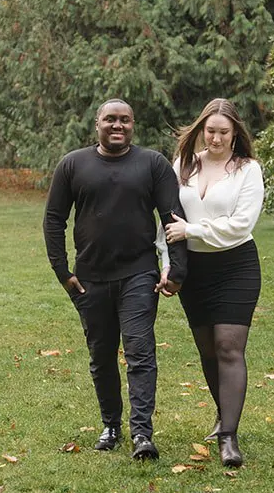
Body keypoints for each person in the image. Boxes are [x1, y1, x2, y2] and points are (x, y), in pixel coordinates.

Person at [44, 99, 188, 460]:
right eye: (110, 119)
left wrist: (177, 269)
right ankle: (111, 425)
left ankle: (142, 433)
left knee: (140, 353)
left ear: (133, 124)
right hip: (90, 279)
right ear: (97, 124)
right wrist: (63, 272)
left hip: (139, 274)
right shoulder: (73, 164)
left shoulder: (152, 164)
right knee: (101, 356)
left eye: (124, 120)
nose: (117, 125)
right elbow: (53, 220)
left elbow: (173, 216)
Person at [164, 99, 263, 468]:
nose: (217, 138)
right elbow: (167, 222)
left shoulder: (248, 170)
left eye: (224, 131)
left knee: (228, 347)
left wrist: (192, 229)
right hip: (195, 271)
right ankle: (224, 415)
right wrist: (169, 267)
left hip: (236, 266)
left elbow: (241, 225)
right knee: (207, 349)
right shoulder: (184, 166)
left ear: (236, 132)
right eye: (211, 131)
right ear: (201, 130)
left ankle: (229, 438)